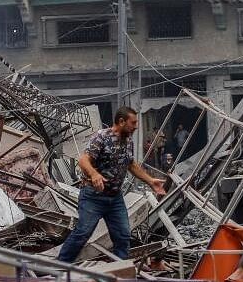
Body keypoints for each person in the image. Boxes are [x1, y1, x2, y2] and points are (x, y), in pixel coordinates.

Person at [58, 108, 166, 263]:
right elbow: (83, 160)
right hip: (93, 197)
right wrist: (94, 174)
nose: (136, 126)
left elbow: (130, 164)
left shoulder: (128, 140)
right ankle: (60, 268)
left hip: (115, 199)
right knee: (83, 233)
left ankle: (119, 271)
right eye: (133, 122)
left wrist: (150, 181)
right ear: (121, 121)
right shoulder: (102, 137)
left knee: (123, 235)